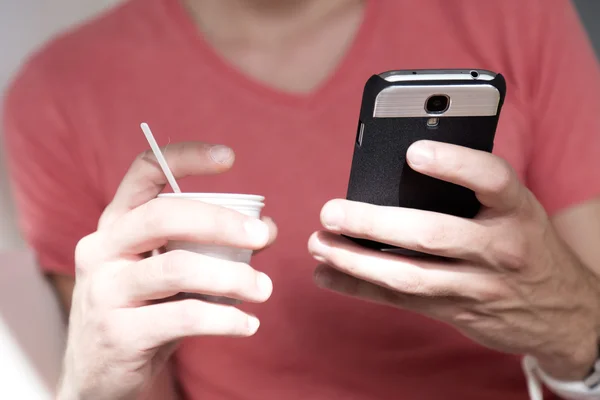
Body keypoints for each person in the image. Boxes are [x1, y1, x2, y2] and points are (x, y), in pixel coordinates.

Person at [3, 0, 600, 399]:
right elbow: (133, 379)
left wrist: (573, 327)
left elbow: (587, 319)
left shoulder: (519, 14)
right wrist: (90, 379)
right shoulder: (58, 93)